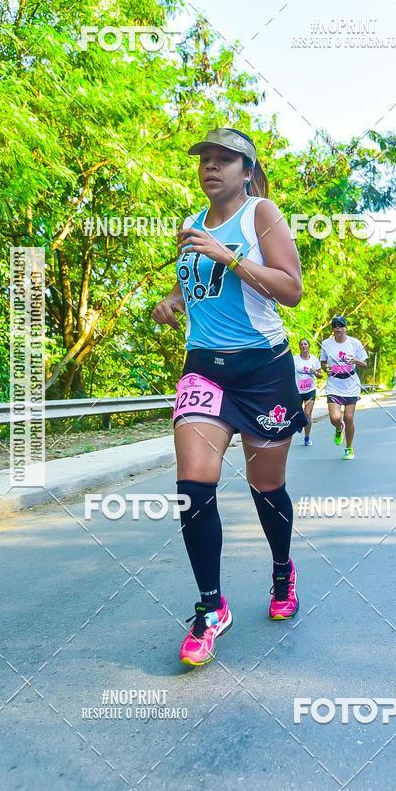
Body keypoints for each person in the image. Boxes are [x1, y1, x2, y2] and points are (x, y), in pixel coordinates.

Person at [152, 127, 307, 668]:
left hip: (262, 370)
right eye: (205, 159)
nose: (211, 167)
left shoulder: (262, 214)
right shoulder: (190, 224)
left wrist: (229, 257)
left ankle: (282, 571)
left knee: (267, 487)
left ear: (247, 170)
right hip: (204, 370)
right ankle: (211, 607)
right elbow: (191, 284)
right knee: (193, 485)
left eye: (224, 159)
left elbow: (291, 290)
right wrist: (171, 301)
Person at [319, 315, 368, 460]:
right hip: (334, 384)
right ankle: (339, 427)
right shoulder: (326, 344)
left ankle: (349, 448)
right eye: (335, 326)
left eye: (340, 325)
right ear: (333, 329)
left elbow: (365, 365)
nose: (337, 328)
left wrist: (355, 360)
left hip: (351, 384)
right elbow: (323, 363)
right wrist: (326, 368)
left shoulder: (354, 343)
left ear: (345, 328)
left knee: (348, 417)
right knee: (335, 418)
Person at [294, 338, 322, 445]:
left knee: (308, 414)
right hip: (297, 391)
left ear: (308, 346)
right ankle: (300, 422)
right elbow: (296, 369)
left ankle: (307, 437)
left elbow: (320, 375)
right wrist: (310, 370)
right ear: (299, 347)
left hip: (310, 390)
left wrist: (316, 373)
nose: (303, 346)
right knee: (297, 413)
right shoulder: (295, 359)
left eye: (305, 344)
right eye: (301, 344)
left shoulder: (314, 360)